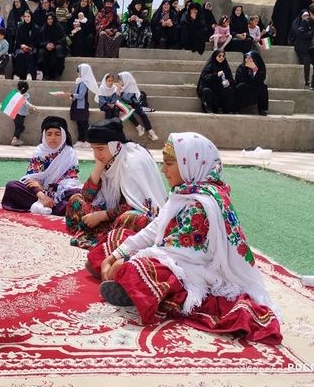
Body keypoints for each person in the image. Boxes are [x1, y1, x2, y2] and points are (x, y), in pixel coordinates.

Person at [99, 132, 282, 345]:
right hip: (172, 257)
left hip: (197, 271)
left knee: (138, 269)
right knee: (114, 241)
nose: (163, 170)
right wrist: (116, 254)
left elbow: (183, 254)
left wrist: (129, 260)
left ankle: (145, 289)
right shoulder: (184, 193)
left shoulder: (201, 204)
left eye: (169, 163)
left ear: (191, 164)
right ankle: (135, 287)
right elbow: (155, 229)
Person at [65, 119, 167, 249]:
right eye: (93, 149)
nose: (96, 154)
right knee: (76, 200)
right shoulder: (109, 159)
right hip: (111, 215)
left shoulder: (132, 161)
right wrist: (99, 167)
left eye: (100, 149)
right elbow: (87, 196)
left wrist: (101, 216)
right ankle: (107, 235)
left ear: (115, 145)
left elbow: (136, 204)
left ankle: (110, 236)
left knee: (134, 219)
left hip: (132, 215)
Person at [3, 116, 82, 215]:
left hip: (60, 192)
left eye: (57, 134)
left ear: (64, 136)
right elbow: (31, 178)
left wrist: (50, 191)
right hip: (37, 193)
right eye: (49, 134)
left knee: (78, 193)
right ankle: (55, 208)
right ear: (44, 136)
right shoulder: (39, 152)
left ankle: (47, 206)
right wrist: (42, 195)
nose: (53, 138)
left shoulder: (69, 153)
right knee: (12, 186)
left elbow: (71, 179)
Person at [115, 72, 158, 140]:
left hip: (134, 103)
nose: (119, 81)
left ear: (126, 79)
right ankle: (138, 127)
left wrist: (120, 93)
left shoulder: (131, 85)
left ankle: (151, 131)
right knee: (127, 112)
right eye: (119, 80)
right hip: (126, 105)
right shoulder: (120, 88)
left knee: (142, 113)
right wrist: (118, 91)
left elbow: (130, 98)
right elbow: (117, 100)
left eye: (121, 79)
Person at [68, 63, 98, 148]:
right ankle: (81, 139)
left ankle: (88, 140)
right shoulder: (79, 82)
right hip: (77, 105)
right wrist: (72, 96)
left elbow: (81, 95)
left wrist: (72, 95)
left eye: (79, 71)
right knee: (79, 123)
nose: (78, 73)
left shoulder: (84, 83)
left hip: (82, 106)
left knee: (84, 123)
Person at [197, 49, 235, 114]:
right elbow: (205, 77)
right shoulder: (210, 65)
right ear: (215, 56)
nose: (221, 58)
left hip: (221, 91)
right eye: (219, 56)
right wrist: (216, 75)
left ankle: (227, 110)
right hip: (211, 90)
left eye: (223, 56)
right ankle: (209, 109)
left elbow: (231, 79)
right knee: (206, 91)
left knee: (229, 90)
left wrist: (228, 81)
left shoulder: (226, 66)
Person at [234, 51, 269, 116]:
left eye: (250, 58)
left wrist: (255, 70)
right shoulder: (242, 67)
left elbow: (261, 79)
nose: (247, 60)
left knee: (263, 87)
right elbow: (239, 79)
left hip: (256, 86)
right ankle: (238, 108)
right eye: (246, 58)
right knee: (240, 87)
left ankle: (263, 109)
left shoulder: (260, 66)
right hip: (245, 86)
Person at [37, 12, 67, 80]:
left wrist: (54, 44)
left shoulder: (58, 28)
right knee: (41, 53)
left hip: (56, 46)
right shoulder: (43, 29)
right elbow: (39, 41)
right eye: (48, 19)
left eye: (51, 19)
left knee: (59, 50)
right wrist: (46, 45)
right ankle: (45, 74)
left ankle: (57, 74)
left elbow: (63, 39)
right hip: (46, 48)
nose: (50, 20)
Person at [13, 10, 40, 80]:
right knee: (20, 54)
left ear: (31, 17)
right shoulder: (20, 26)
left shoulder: (35, 28)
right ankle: (17, 74)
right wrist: (22, 46)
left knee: (30, 54)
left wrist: (29, 47)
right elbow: (17, 40)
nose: (27, 18)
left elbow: (37, 42)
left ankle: (29, 74)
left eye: (28, 16)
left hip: (31, 48)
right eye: (25, 16)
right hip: (20, 47)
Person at [291, 10, 314, 88]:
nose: (306, 17)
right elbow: (301, 34)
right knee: (307, 62)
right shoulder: (305, 22)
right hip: (304, 47)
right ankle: (307, 82)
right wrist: (311, 33)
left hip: (311, 47)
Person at [11, 81, 37, 146]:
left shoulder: (16, 94)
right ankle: (15, 139)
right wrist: (31, 106)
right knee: (19, 127)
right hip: (20, 114)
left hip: (14, 113)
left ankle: (16, 139)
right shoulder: (26, 95)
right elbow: (25, 102)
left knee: (19, 127)